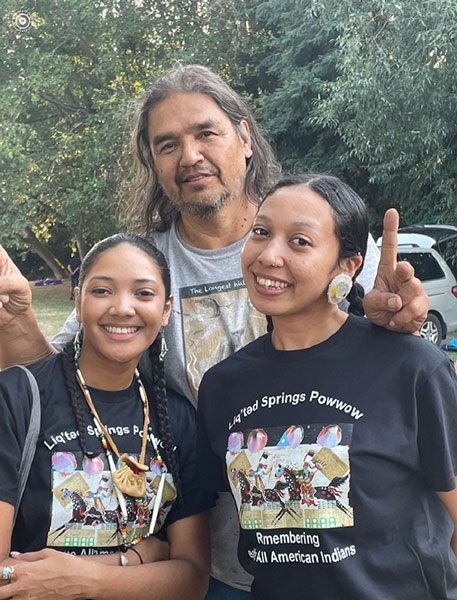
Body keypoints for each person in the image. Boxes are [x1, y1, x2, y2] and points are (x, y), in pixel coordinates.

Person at [0, 65, 429, 598]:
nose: (190, 155)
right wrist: (15, 320)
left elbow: (407, 389)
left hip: (356, 567)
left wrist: (400, 326)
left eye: (206, 132)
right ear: (152, 164)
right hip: (215, 566)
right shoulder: (140, 271)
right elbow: (61, 389)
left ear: (244, 137)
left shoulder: (316, 234)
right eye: (167, 144)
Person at [197, 173, 457, 600]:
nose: (269, 255)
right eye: (261, 232)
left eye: (299, 241)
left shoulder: (411, 367)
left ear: (347, 265)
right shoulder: (224, 386)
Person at [0, 233, 211, 600]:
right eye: (102, 291)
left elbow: (192, 580)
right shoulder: (18, 396)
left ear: (166, 310)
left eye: (144, 293)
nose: (123, 308)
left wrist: (90, 580)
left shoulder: (177, 418)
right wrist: (140, 557)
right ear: (78, 302)